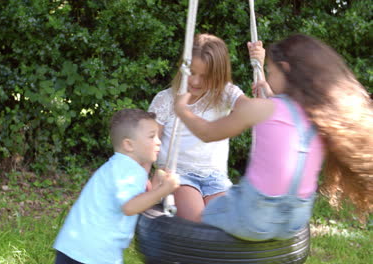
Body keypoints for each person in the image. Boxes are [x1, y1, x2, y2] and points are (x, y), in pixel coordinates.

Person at [174, 34, 372, 241]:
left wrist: (182, 110)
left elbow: (207, 133)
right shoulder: (319, 115)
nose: (266, 77)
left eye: (269, 72)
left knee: (198, 225)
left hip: (253, 217)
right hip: (295, 221)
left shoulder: (262, 109)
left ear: (284, 69)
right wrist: (263, 76)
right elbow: (286, 114)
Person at [148, 33, 256, 222]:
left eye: (205, 76)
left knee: (227, 222)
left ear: (218, 77)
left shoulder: (223, 94)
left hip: (215, 178)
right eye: (192, 73)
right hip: (177, 175)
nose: (196, 82)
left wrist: (259, 66)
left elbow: (250, 109)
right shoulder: (166, 100)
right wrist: (146, 179)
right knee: (199, 221)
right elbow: (148, 145)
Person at [52, 109, 180, 263]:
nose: (159, 141)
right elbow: (130, 207)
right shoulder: (127, 170)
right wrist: (163, 190)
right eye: (152, 136)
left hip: (77, 246)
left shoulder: (121, 166)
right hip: (93, 252)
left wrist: (157, 184)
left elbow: (139, 198)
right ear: (129, 145)